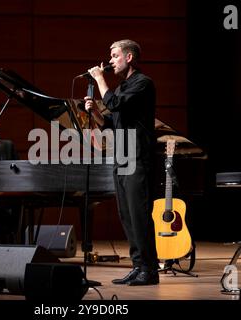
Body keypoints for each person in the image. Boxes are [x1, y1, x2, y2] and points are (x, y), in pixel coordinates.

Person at [84, 39, 159, 286]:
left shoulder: (142, 83)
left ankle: (150, 269)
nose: (110, 61)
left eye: (115, 56)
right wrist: (95, 111)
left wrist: (99, 79)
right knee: (126, 215)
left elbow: (115, 104)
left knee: (139, 215)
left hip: (138, 157)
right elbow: (110, 125)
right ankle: (138, 267)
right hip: (121, 156)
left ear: (129, 57)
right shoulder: (121, 88)